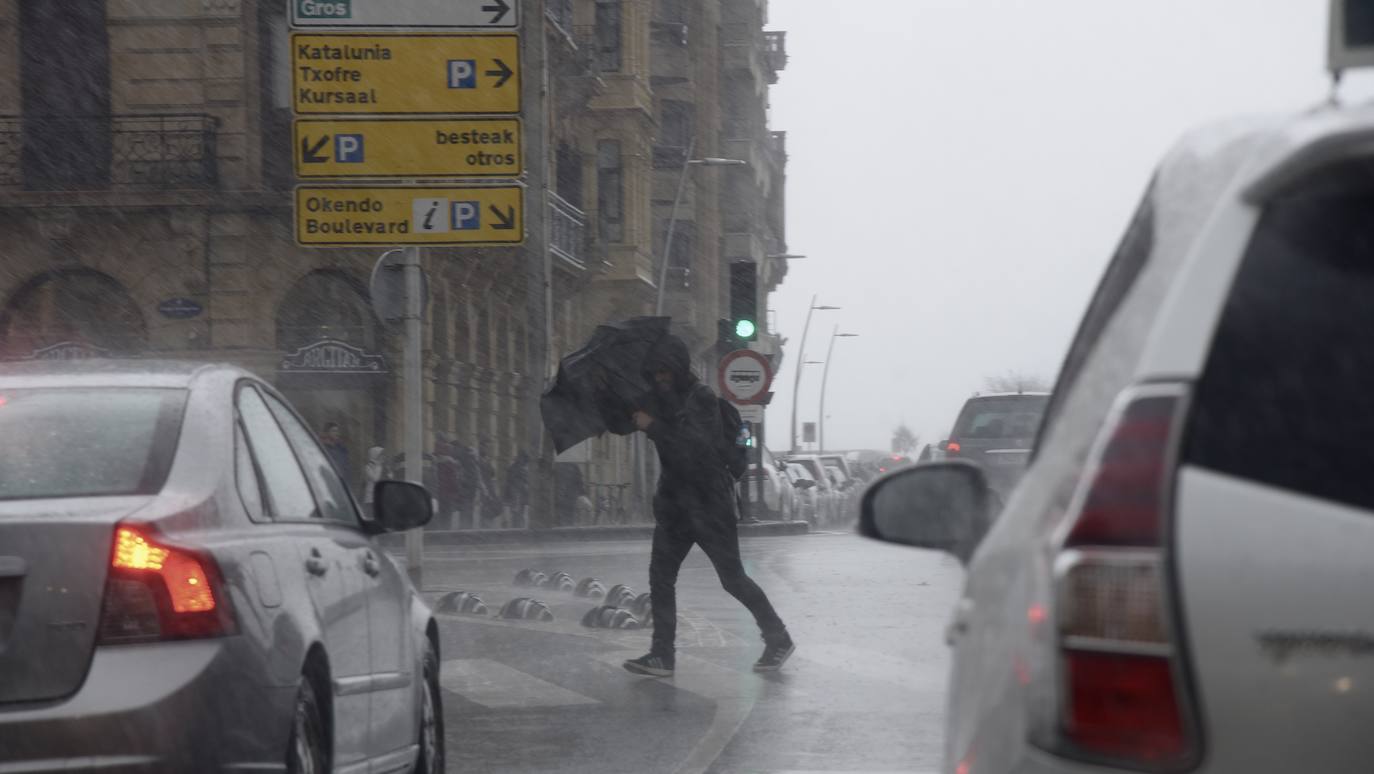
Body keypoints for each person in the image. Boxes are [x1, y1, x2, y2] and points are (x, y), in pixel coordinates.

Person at [622, 334, 794, 677]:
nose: (660, 379)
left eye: (665, 372)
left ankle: (778, 638)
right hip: (675, 506)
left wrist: (652, 426)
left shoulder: (700, 399)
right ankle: (662, 655)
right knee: (660, 577)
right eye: (655, 373)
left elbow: (694, 448)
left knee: (732, 579)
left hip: (708, 505)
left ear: (678, 369)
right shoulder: (660, 401)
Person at [504, 451, 531, 528]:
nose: (526, 464)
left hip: (517, 496)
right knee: (517, 515)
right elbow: (513, 483)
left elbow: (509, 483)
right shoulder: (517, 469)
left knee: (517, 514)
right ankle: (517, 530)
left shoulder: (515, 468)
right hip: (516, 495)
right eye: (525, 461)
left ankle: (517, 529)